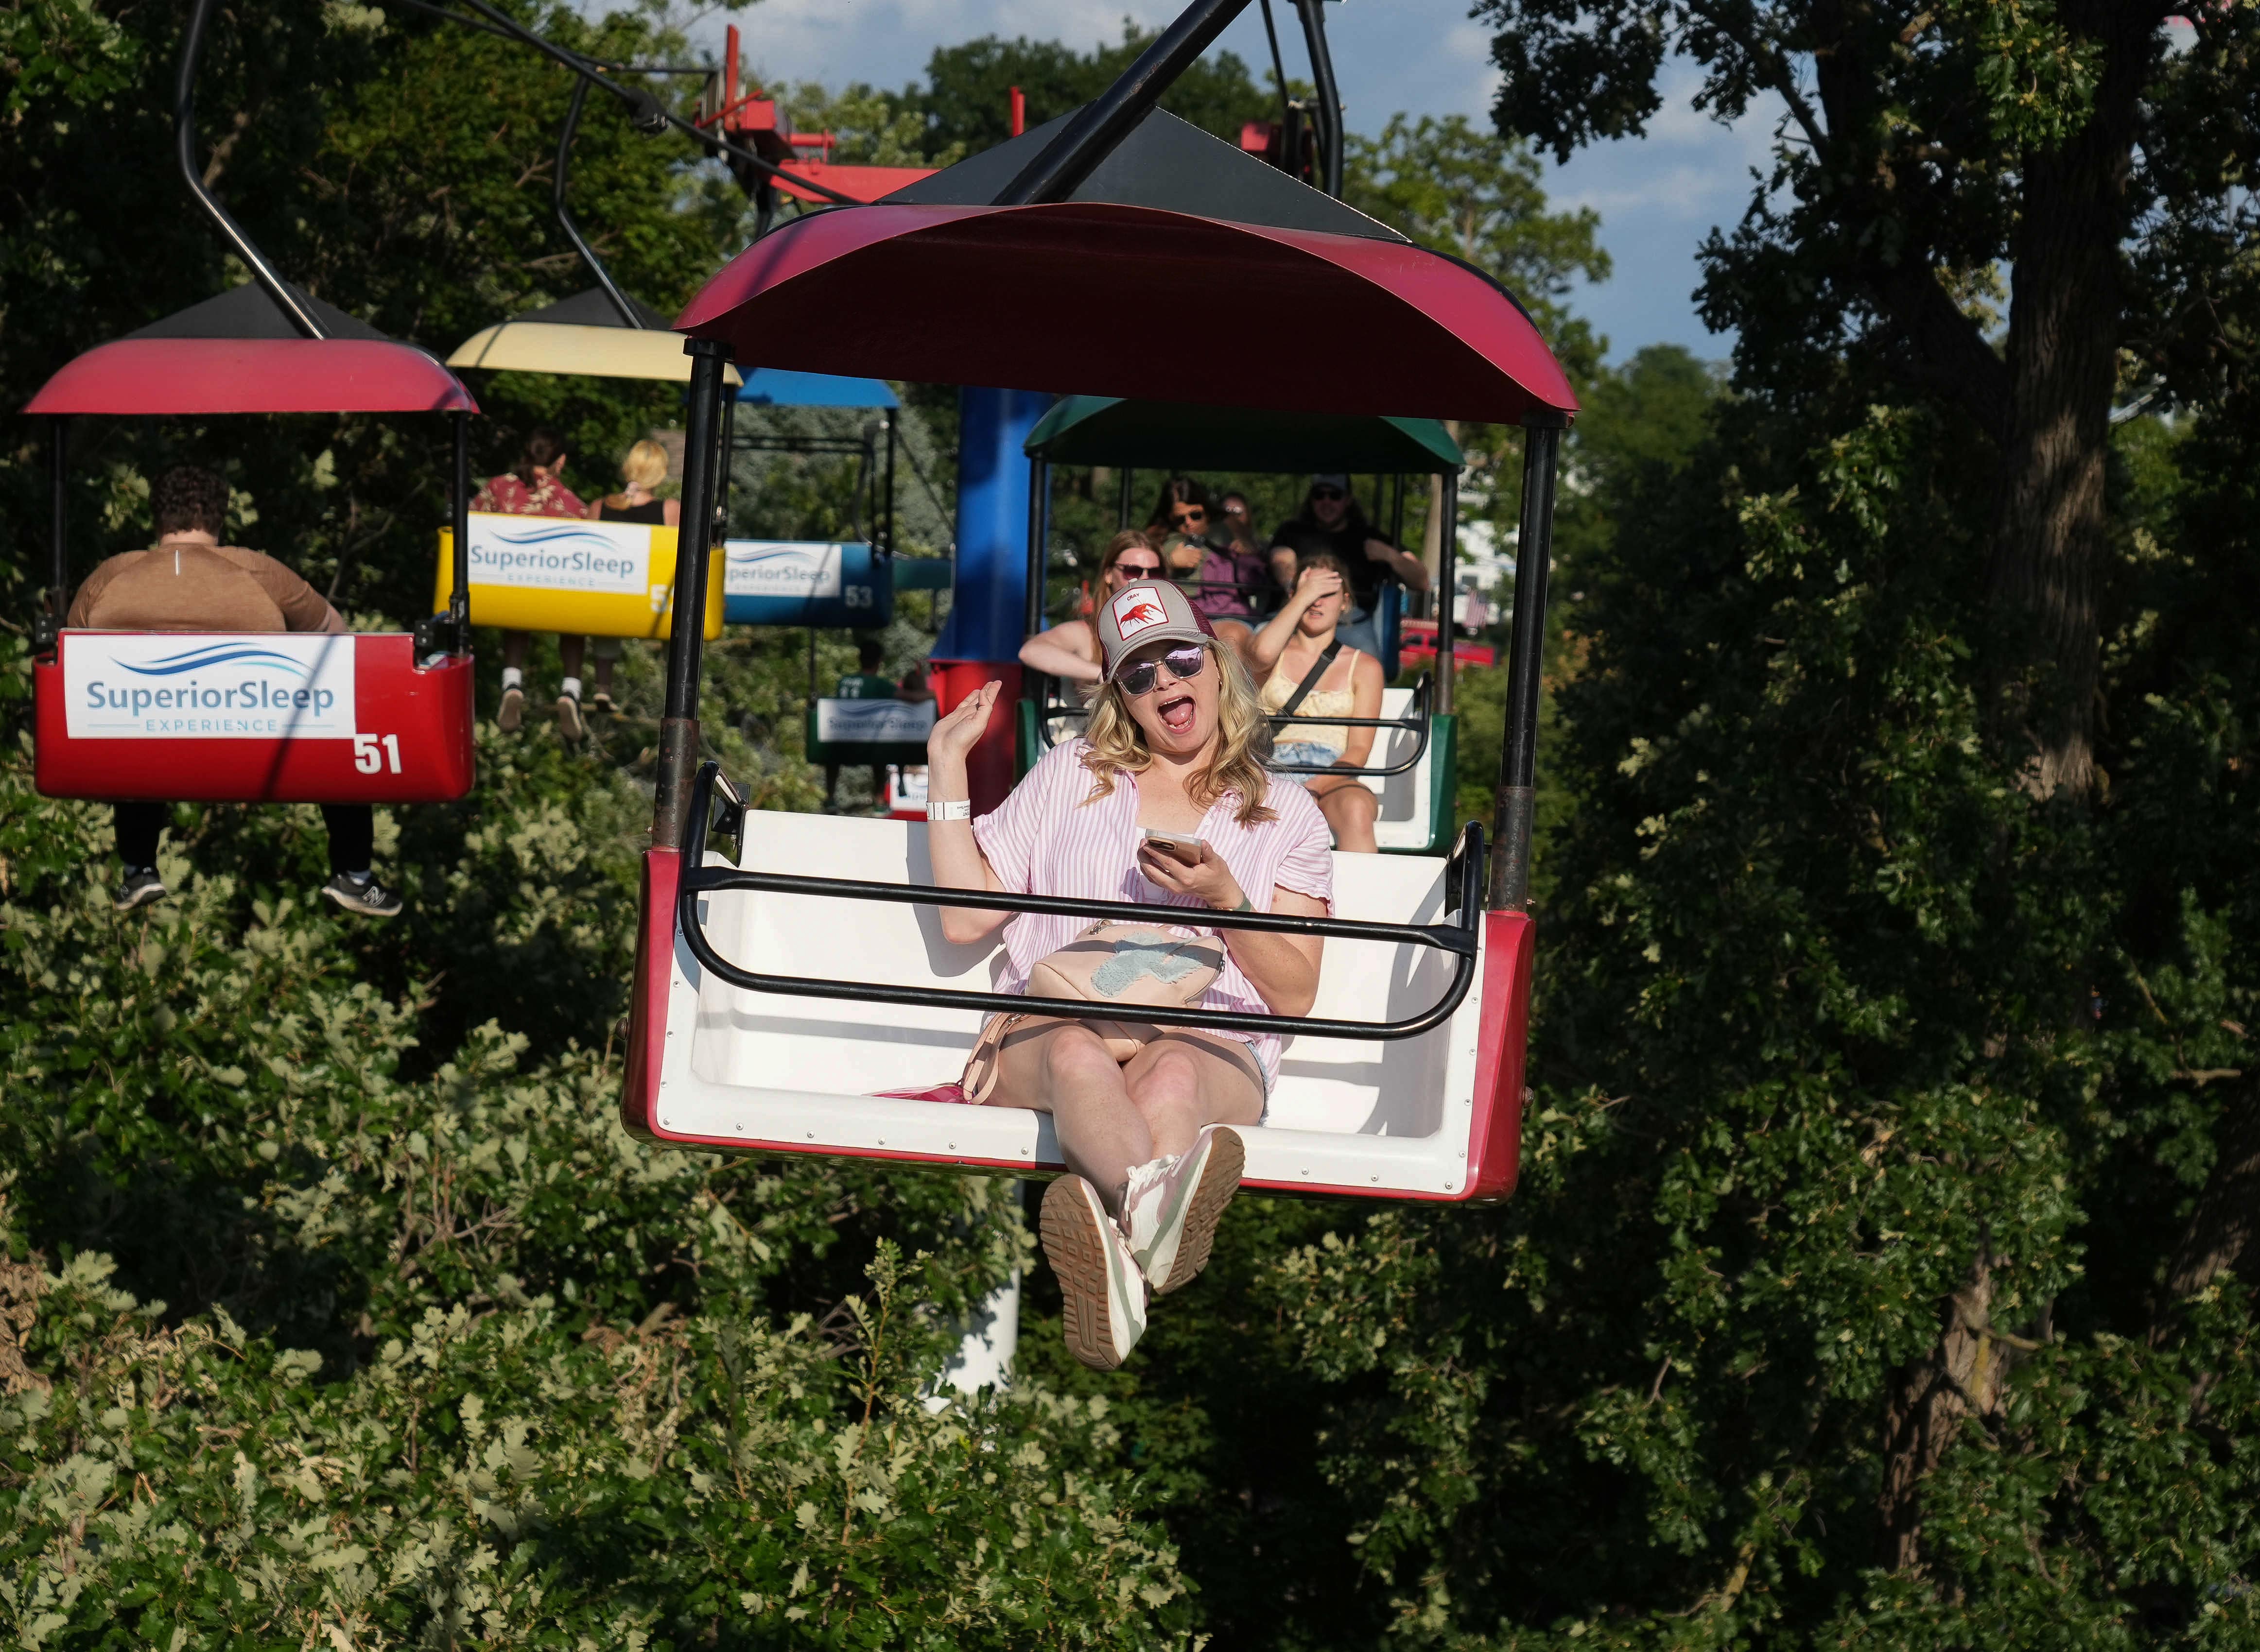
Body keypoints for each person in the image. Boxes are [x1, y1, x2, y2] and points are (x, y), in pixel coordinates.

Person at [926, 579, 1335, 1371]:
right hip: (1059, 1019)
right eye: (1141, 676)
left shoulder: (1288, 812)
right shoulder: (1072, 774)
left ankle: (1124, 1256)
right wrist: (947, 766)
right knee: (1079, 1052)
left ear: (1217, 667)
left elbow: (1295, 992)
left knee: (1176, 1069)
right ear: (1120, 697)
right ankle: (1151, 1218)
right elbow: (964, 919)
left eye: (1182, 660)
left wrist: (1226, 902)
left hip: (1206, 1030)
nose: (1168, 685)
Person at [66, 464, 403, 917]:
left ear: (156, 516)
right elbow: (337, 637)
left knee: (132, 707)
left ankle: (137, 865)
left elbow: (70, 656)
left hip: (137, 755)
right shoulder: (257, 570)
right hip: (252, 755)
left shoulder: (111, 577)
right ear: (221, 515)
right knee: (338, 696)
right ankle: (354, 873)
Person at [1245, 551, 1387, 853]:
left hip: (1331, 772)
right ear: (1294, 596)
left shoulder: (1365, 667)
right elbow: (1260, 656)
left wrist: (1313, 788)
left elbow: (1359, 749)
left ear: (1345, 601)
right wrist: (1301, 598)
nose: (1317, 601)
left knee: (1357, 807)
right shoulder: (1273, 654)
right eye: (1310, 591)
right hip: (1269, 767)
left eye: (1327, 593)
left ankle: (1364, 899)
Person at [474, 430, 588, 739]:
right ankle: (571, 690)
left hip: (509, 589)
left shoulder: (500, 488)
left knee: (516, 608)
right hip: (558, 596)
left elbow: (471, 519)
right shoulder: (570, 503)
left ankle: (512, 681)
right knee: (579, 615)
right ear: (560, 462)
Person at [1268, 474, 1429, 659]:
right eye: (1319, 495)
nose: (1326, 502)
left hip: (1351, 620)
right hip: (1298, 610)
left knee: (1369, 663)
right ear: (1311, 499)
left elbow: (1422, 581)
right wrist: (1295, 589)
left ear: (1348, 500)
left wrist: (1390, 555)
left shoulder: (1368, 537)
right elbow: (1281, 560)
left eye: (1335, 495)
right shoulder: (1292, 533)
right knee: (1262, 648)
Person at [575, 438, 681, 715]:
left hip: (613, 602)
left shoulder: (600, 507)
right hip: (653, 603)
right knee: (677, 622)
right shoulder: (670, 510)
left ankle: (603, 686)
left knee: (606, 598)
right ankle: (676, 690)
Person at [1017, 531, 1167, 686]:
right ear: (1108, 574)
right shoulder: (1087, 632)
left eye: (1155, 573)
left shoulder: (1172, 632)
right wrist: (1103, 674)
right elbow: (1031, 651)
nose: (1144, 579)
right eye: (1132, 571)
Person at [824, 638, 925, 806]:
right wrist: (931, 695)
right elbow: (912, 698)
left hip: (841, 745)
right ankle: (879, 799)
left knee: (834, 754)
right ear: (879, 661)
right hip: (871, 747)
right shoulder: (880, 685)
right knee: (885, 744)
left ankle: (830, 797)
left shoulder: (844, 682)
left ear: (860, 659)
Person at [1199, 490, 1279, 622]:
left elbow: (1254, 585)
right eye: (1226, 513)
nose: (1232, 518)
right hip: (1207, 615)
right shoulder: (1206, 547)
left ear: (1247, 516)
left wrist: (1247, 555)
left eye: (1237, 513)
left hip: (1240, 617)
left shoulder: (1259, 550)